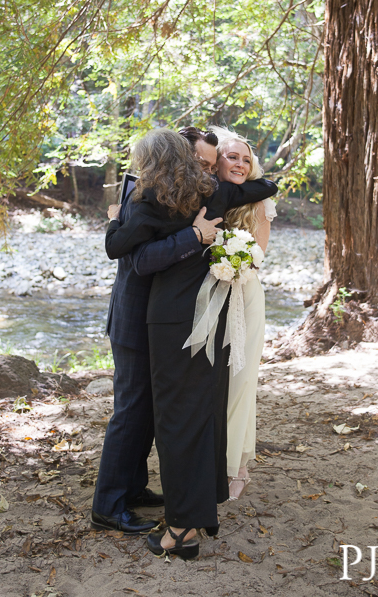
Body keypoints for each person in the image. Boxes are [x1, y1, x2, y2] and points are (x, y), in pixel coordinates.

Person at [104, 128, 277, 558]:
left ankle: (183, 529)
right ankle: (194, 515)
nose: (210, 167)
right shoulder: (206, 195)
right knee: (197, 417)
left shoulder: (158, 199)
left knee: (181, 421)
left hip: (177, 318)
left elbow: (117, 247)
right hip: (200, 317)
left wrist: (115, 216)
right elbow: (266, 186)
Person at [91, 129, 222, 534]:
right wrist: (194, 237)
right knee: (131, 412)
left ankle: (132, 489)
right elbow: (136, 259)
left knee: (147, 410)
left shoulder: (176, 190)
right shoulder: (141, 193)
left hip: (156, 318)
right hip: (133, 319)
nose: (206, 169)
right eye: (201, 161)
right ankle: (108, 506)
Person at [211, 127, 276, 500]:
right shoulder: (201, 194)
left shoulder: (258, 200)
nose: (239, 164)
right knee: (211, 383)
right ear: (216, 160)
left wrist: (234, 262)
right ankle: (211, 460)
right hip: (206, 295)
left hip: (244, 293)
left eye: (245, 159)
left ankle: (238, 466)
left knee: (240, 379)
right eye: (232, 157)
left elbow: (260, 254)